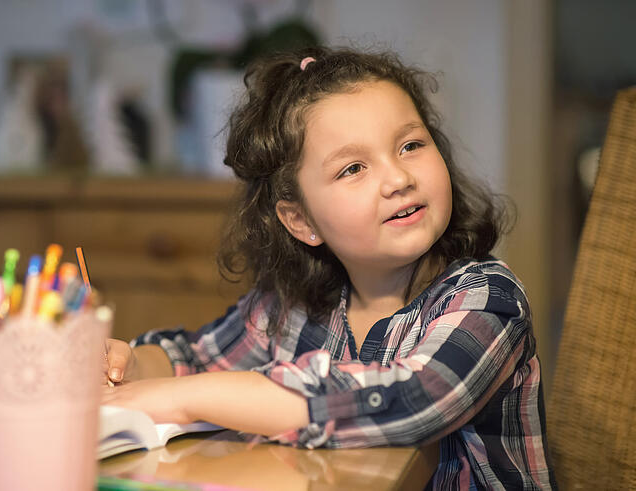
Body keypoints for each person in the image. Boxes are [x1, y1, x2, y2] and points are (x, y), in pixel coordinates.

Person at [101, 46, 555, 489]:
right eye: (354, 168)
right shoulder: (292, 308)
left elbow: (413, 400)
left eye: (411, 145)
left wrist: (183, 399)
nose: (399, 179)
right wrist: (130, 367)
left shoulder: (487, 298)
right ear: (301, 221)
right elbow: (195, 358)